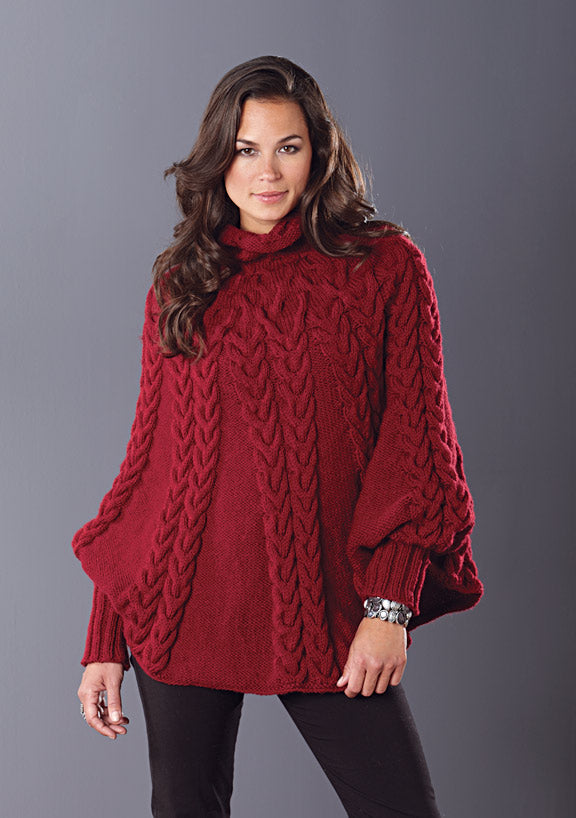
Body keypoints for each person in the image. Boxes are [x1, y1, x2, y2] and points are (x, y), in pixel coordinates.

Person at [73, 55, 483, 818]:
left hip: (327, 605)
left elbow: (418, 448)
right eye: (246, 149)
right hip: (183, 607)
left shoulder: (384, 268)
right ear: (218, 158)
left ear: (318, 152)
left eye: (287, 147)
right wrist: (106, 637)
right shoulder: (182, 284)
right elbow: (150, 473)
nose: (267, 172)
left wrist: (389, 607)